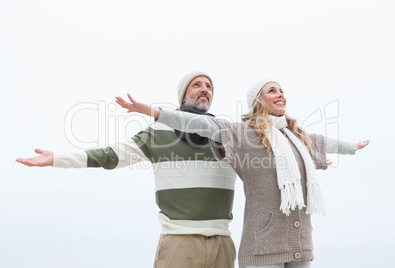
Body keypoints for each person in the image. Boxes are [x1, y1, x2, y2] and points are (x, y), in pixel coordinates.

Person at [115, 79, 369, 268]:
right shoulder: (241, 133)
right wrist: (153, 111)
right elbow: (199, 124)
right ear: (259, 100)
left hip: (299, 242)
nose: (280, 94)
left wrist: (353, 147)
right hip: (263, 245)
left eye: (281, 90)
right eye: (272, 90)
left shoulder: (297, 137)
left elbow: (323, 142)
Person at [16, 71, 238, 268]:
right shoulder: (158, 133)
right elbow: (110, 156)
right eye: (197, 84)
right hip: (179, 243)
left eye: (209, 87)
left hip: (223, 245)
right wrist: (58, 158)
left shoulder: (228, 136)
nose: (205, 90)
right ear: (183, 95)